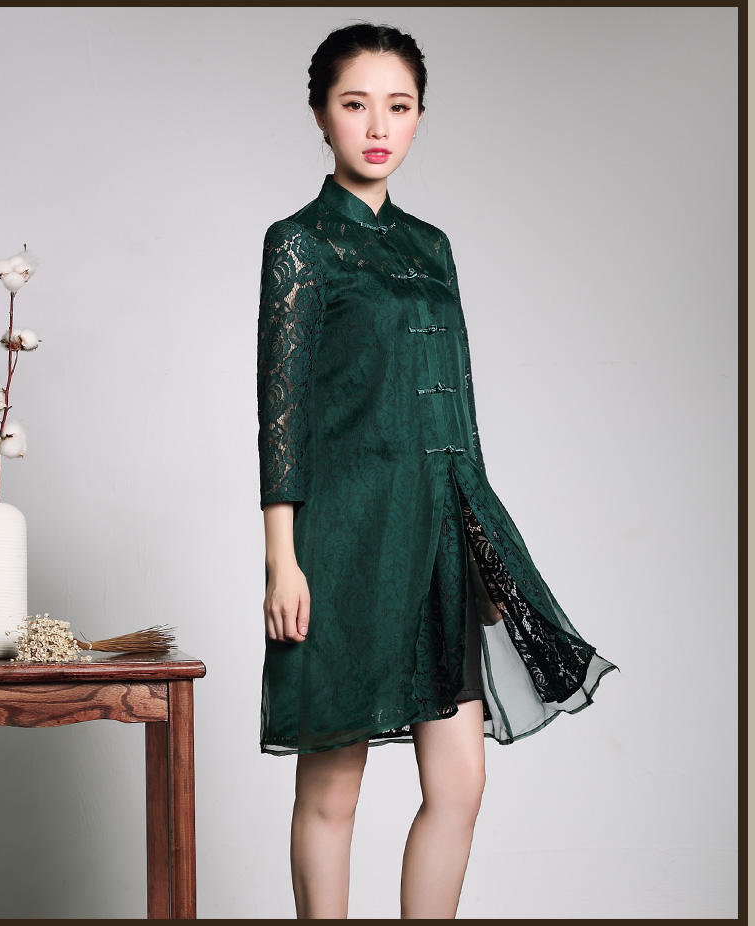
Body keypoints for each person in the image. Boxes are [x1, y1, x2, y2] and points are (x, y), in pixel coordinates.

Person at [256, 23, 619, 919]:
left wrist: (481, 545)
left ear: (419, 116)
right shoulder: (299, 243)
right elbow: (281, 412)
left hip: (441, 542)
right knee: (332, 792)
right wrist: (282, 559)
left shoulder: (433, 247)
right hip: (345, 545)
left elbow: (459, 411)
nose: (378, 126)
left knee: (460, 785)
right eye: (356, 104)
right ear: (320, 114)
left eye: (400, 106)